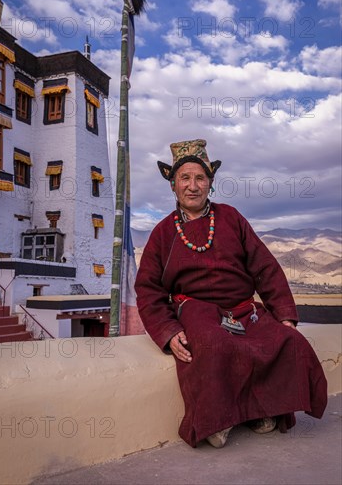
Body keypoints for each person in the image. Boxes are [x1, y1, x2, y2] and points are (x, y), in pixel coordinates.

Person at [135, 139, 327, 448]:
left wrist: (285, 316)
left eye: (200, 178)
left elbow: (265, 267)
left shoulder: (231, 218)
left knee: (287, 340)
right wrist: (169, 332)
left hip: (244, 309)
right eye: (185, 178)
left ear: (210, 183)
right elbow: (147, 290)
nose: (193, 185)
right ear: (173, 185)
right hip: (197, 311)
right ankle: (217, 420)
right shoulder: (162, 233)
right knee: (214, 345)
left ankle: (265, 411)